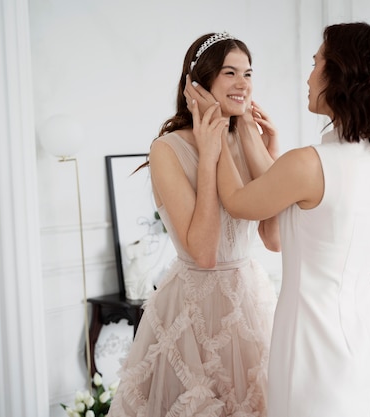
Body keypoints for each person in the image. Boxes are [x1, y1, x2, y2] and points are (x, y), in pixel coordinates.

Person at [190, 22, 370, 416]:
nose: (309, 75)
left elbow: (243, 202)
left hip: (314, 344)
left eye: (316, 64)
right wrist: (245, 127)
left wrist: (215, 133)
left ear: (341, 74)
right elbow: (286, 193)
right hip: (368, 335)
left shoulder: (310, 163)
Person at [107, 32, 279, 417]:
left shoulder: (250, 139)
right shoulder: (167, 149)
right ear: (198, 82)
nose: (243, 84)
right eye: (230, 72)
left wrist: (272, 152)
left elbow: (275, 238)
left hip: (249, 301)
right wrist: (208, 157)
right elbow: (202, 253)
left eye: (248, 73)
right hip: (191, 311)